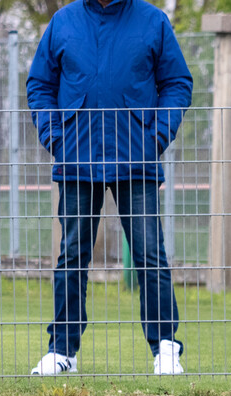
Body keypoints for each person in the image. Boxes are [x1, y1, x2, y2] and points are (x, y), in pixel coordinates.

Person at [26, 0, 193, 376]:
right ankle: (61, 352)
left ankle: (166, 348)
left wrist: (157, 136)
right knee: (71, 256)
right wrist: (56, 136)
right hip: (76, 159)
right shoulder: (63, 21)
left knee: (150, 255)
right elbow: (40, 85)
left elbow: (177, 83)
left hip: (137, 158)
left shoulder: (153, 21)